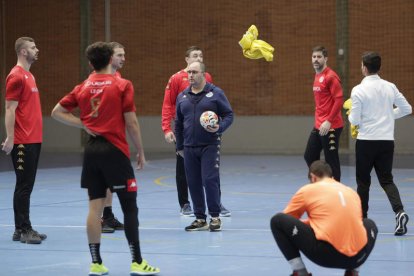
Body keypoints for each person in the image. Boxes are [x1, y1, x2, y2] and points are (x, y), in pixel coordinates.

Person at [51, 41, 159, 275]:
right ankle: (137, 262)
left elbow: (56, 112)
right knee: (130, 207)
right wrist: (140, 151)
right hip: (115, 152)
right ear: (111, 59)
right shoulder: (122, 85)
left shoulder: (82, 86)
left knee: (94, 208)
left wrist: (83, 124)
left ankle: (96, 263)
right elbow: (131, 122)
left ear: (91, 63)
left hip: (91, 152)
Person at [270, 160, 378, 276]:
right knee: (369, 224)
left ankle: (300, 272)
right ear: (332, 177)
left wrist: (311, 223)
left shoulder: (308, 190)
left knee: (277, 221)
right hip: (359, 257)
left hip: (326, 255)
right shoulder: (351, 192)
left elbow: (288, 220)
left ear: (313, 177)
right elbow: (352, 222)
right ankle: (353, 272)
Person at [162, 46, 231, 217]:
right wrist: (167, 128)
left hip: (207, 137)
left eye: (201, 55)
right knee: (185, 171)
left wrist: (218, 126)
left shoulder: (207, 79)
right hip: (186, 133)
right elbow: (168, 104)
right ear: (186, 59)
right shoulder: (176, 78)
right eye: (195, 55)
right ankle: (185, 203)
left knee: (211, 174)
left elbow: (217, 106)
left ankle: (216, 204)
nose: (199, 57)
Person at [348, 51, 412, 236]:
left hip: (366, 142)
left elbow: (354, 119)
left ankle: (362, 221)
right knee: (386, 180)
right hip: (386, 142)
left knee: (363, 183)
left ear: (364, 68)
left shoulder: (358, 90)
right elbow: (407, 109)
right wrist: (386, 115)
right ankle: (399, 212)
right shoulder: (390, 87)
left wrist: (353, 115)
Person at [175, 61, 233, 232]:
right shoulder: (182, 96)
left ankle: (215, 217)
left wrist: (220, 127)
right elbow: (178, 123)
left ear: (203, 74)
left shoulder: (215, 93)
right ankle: (200, 218)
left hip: (210, 145)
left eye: (194, 72)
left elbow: (229, 114)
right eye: (189, 72)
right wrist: (179, 146)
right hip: (189, 147)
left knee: (209, 180)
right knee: (193, 182)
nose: (190, 75)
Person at [2, 37, 47, 244]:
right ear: (22, 52)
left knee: (25, 185)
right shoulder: (16, 76)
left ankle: (21, 228)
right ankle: (24, 230)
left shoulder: (29, 75)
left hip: (33, 138)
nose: (36, 50)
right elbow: (10, 109)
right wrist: (11, 137)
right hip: (22, 141)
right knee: (24, 186)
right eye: (32, 47)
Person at [304, 46, 343, 181]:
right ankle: (321, 182)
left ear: (325, 59)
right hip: (319, 124)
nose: (316, 59)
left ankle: (336, 189)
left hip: (331, 126)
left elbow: (339, 100)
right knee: (309, 155)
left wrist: (329, 120)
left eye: (319, 57)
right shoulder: (317, 75)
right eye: (314, 57)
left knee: (331, 159)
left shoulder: (331, 76)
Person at [99, 41, 126, 234]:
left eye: (124, 55)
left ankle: (108, 215)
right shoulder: (102, 78)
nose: (123, 59)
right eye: (119, 55)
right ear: (110, 57)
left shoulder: (117, 76)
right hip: (104, 135)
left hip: (116, 135)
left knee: (112, 179)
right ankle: (100, 218)